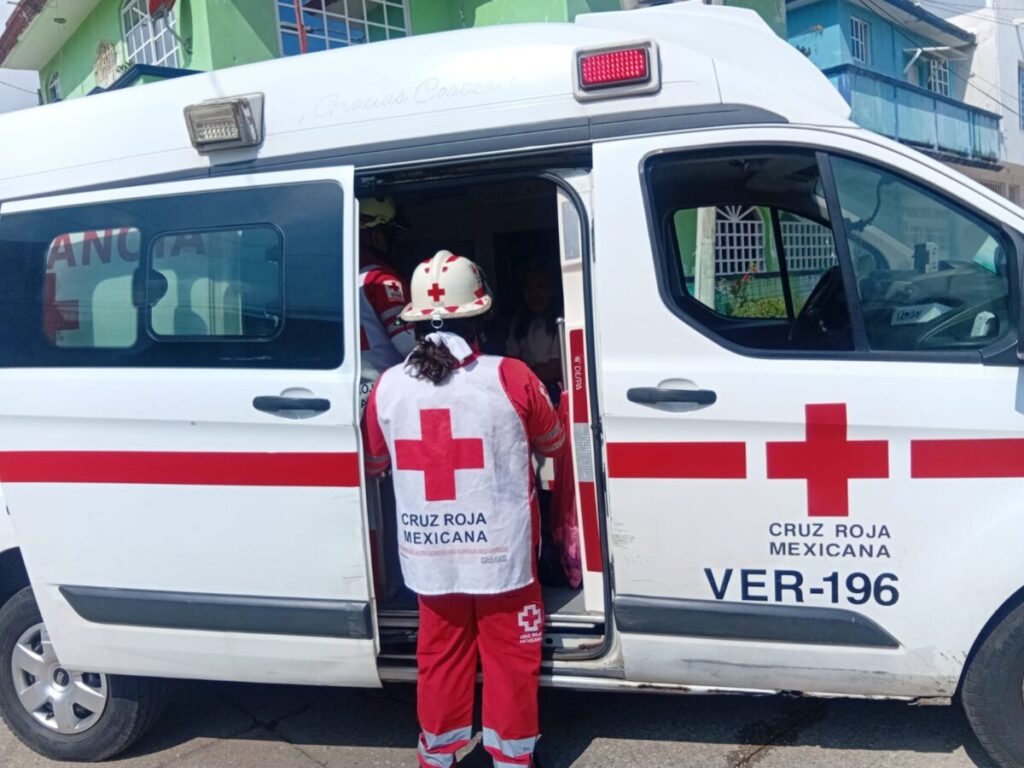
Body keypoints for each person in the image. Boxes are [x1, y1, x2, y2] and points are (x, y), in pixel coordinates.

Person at [362, 250, 566, 768]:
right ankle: (511, 758)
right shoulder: (512, 376)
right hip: (503, 555)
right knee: (511, 658)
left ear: (411, 320)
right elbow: (554, 442)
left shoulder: (386, 388)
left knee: (441, 657)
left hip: (432, 557)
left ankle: (439, 754)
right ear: (481, 316)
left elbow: (377, 460)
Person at [359, 196, 417, 377]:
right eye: (394, 236)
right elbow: (407, 342)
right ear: (377, 237)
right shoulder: (381, 279)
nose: (398, 245)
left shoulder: (346, 280)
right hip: (387, 383)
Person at [505, 258, 563, 390]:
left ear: (551, 289)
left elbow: (556, 367)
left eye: (539, 287)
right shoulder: (519, 320)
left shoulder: (560, 319)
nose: (534, 294)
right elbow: (511, 360)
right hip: (526, 387)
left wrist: (522, 375)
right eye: (528, 288)